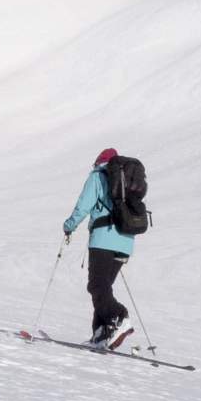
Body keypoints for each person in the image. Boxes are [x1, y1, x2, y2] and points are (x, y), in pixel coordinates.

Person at [63, 147, 135, 346]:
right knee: (103, 288)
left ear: (99, 161)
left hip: (103, 239)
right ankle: (102, 332)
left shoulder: (98, 176)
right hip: (126, 241)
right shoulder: (128, 180)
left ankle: (120, 315)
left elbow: (84, 204)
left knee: (96, 286)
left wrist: (69, 226)